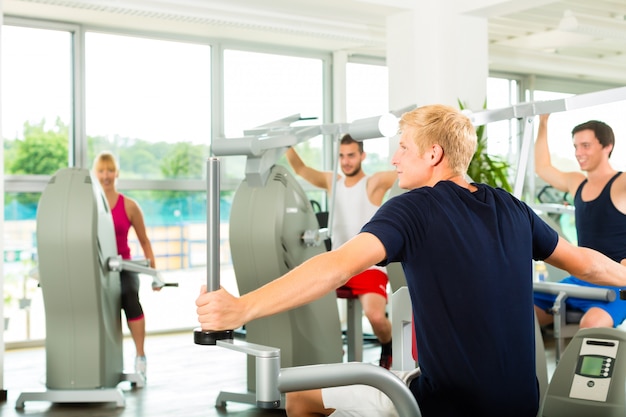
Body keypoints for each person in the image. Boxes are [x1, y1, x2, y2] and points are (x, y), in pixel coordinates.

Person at [196, 104, 626, 417]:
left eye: (403, 147)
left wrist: (241, 307)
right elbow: (587, 264)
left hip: (448, 406)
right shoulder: (511, 207)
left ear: (434, 154)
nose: (396, 158)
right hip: (520, 403)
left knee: (301, 398)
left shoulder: (413, 207)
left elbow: (338, 265)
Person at [285, 135, 397, 368]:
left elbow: (409, 174)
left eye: (351, 155)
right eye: (342, 156)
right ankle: (332, 350)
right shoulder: (331, 181)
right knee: (306, 303)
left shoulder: (373, 182)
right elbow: (300, 168)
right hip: (337, 265)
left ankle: (390, 344)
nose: (346, 161)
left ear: (362, 156)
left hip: (368, 265)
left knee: (376, 317)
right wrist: (286, 142)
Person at [533, 114, 626, 329]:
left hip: (617, 283)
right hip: (580, 279)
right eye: (575, 146)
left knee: (591, 325)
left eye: (585, 146)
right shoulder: (577, 182)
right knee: (520, 313)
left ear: (607, 146)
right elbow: (543, 168)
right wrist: (543, 123)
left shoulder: (621, 183)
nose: (578, 153)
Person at [93, 151, 157, 378]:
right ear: (95, 173)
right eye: (101, 171)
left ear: (117, 173)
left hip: (124, 266)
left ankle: (140, 356)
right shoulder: (90, 205)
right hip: (97, 268)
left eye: (110, 170)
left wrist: (154, 273)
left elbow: (145, 241)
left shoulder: (129, 206)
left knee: (129, 295)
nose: (106, 175)